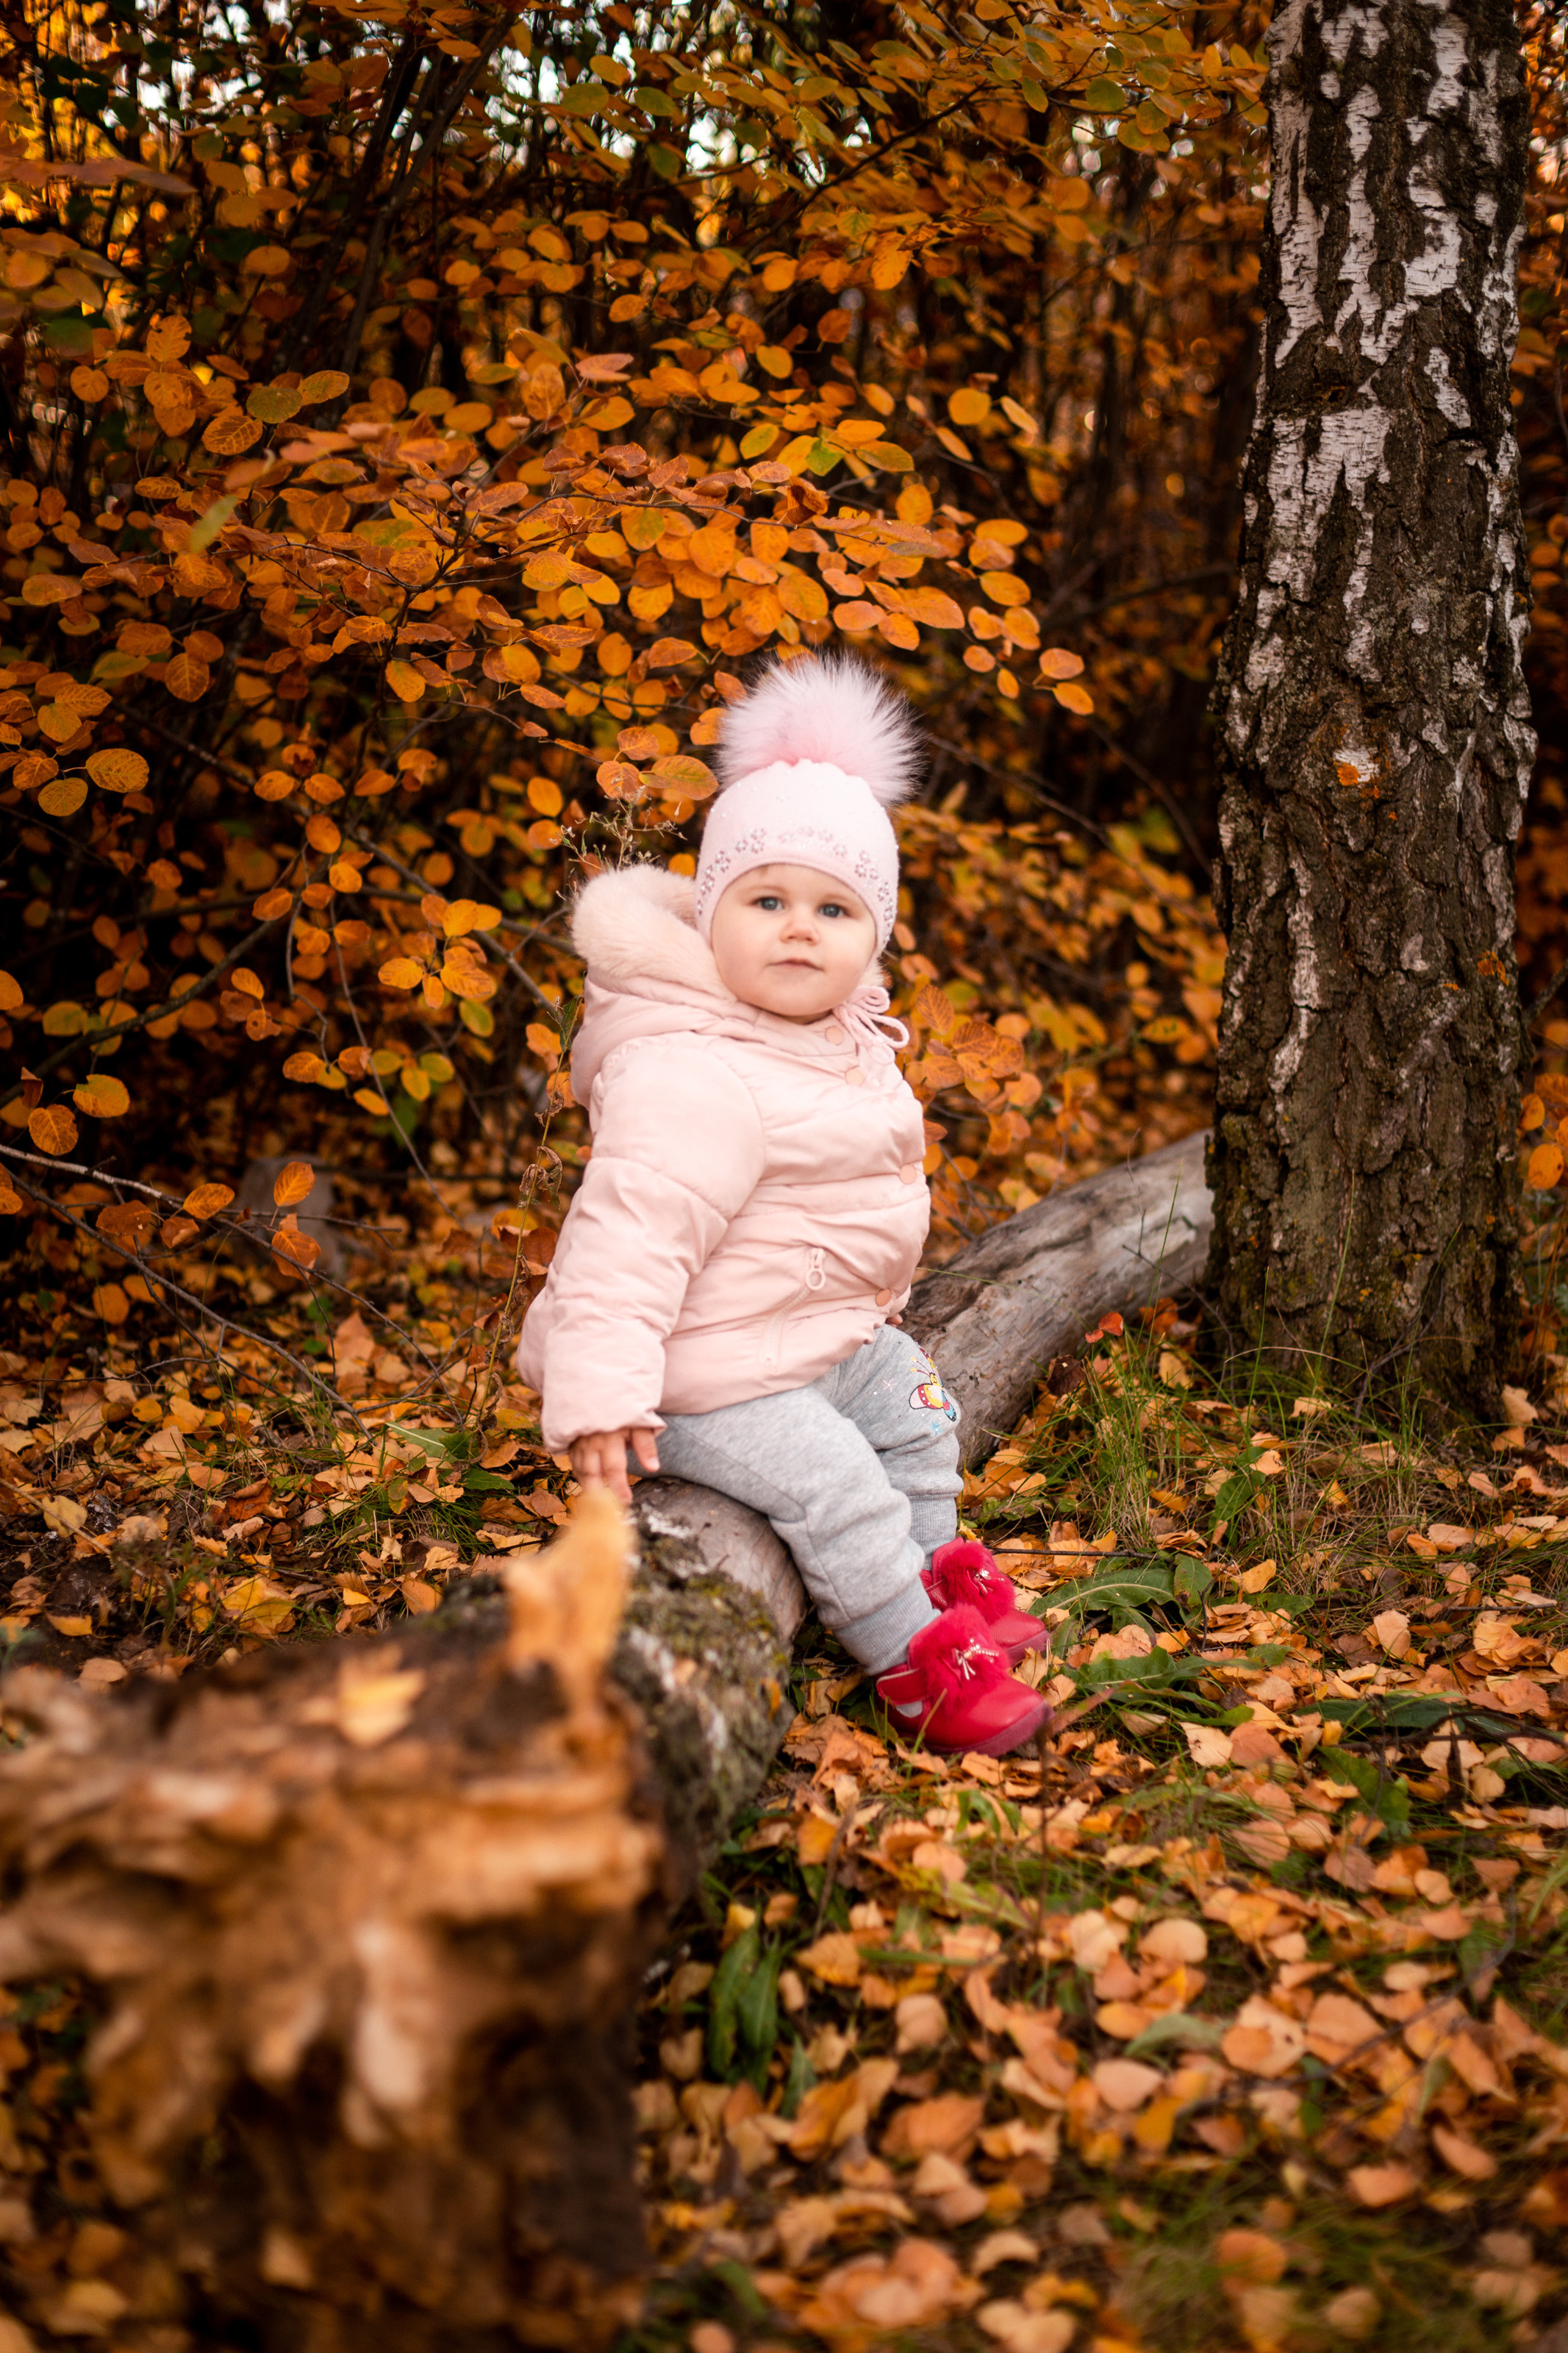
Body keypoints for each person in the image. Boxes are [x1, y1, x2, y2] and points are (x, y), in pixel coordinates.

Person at [517, 653, 1049, 1757]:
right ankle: (916, 1665)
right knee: (835, 1481)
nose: (798, 929)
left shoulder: (831, 1036)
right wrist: (605, 1399)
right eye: (766, 902)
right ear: (712, 916)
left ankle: (933, 1575)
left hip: (796, 1340)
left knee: (913, 1402)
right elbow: (623, 1243)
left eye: (832, 908)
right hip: (699, 1372)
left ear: (874, 935)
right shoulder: (695, 1067)